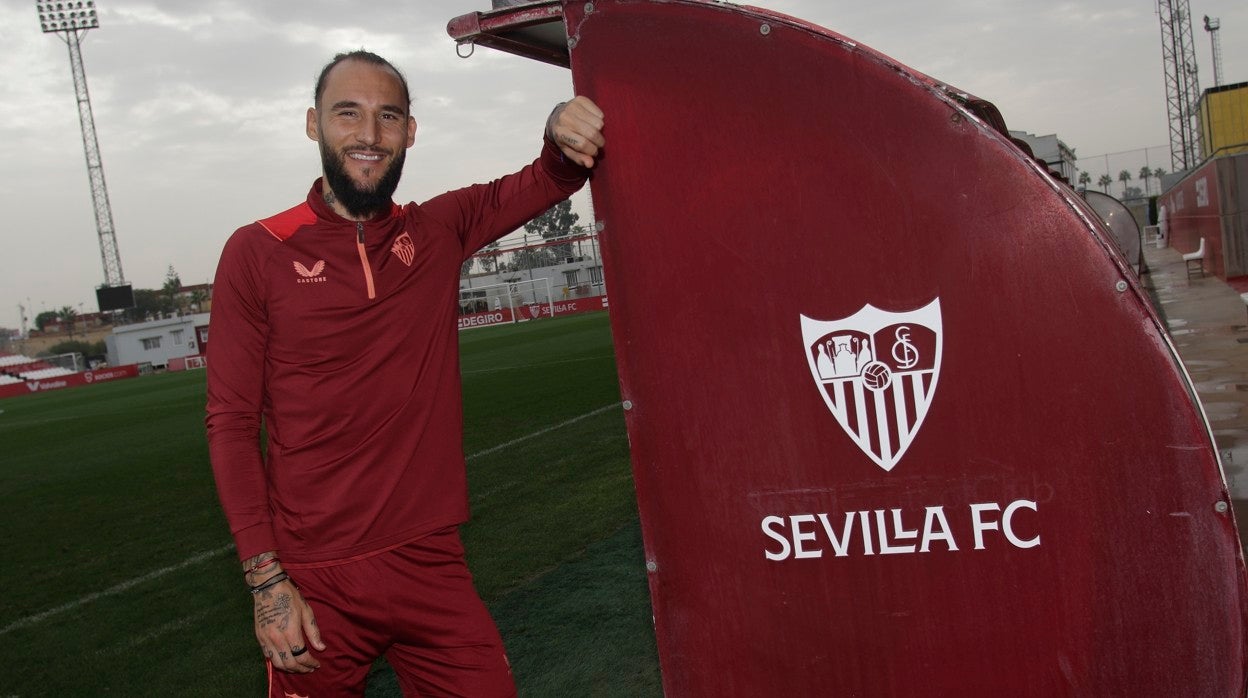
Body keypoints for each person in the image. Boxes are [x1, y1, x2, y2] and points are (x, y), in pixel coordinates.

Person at [205, 50, 604, 697]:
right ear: (314, 125)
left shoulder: (439, 228)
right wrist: (266, 581)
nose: (369, 134)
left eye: (388, 117)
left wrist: (562, 124)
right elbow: (229, 423)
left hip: (430, 565)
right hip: (315, 583)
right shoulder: (257, 252)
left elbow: (547, 178)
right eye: (348, 114)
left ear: (410, 132)